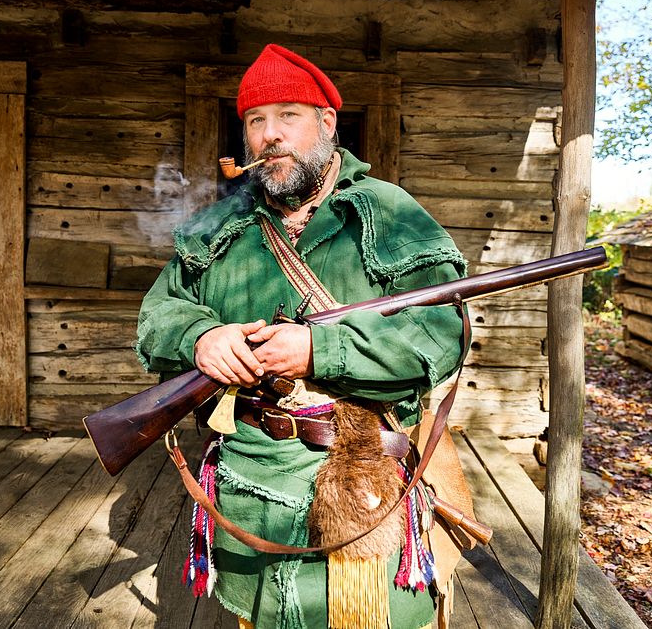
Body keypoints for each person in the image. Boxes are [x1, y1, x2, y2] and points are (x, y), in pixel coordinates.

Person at [135, 44, 466, 629]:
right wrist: (200, 338)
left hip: (364, 471)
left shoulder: (391, 213)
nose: (271, 135)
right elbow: (158, 315)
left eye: (288, 115)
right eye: (256, 121)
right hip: (249, 476)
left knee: (368, 617)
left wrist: (319, 349)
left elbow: (441, 336)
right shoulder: (217, 226)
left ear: (327, 124)